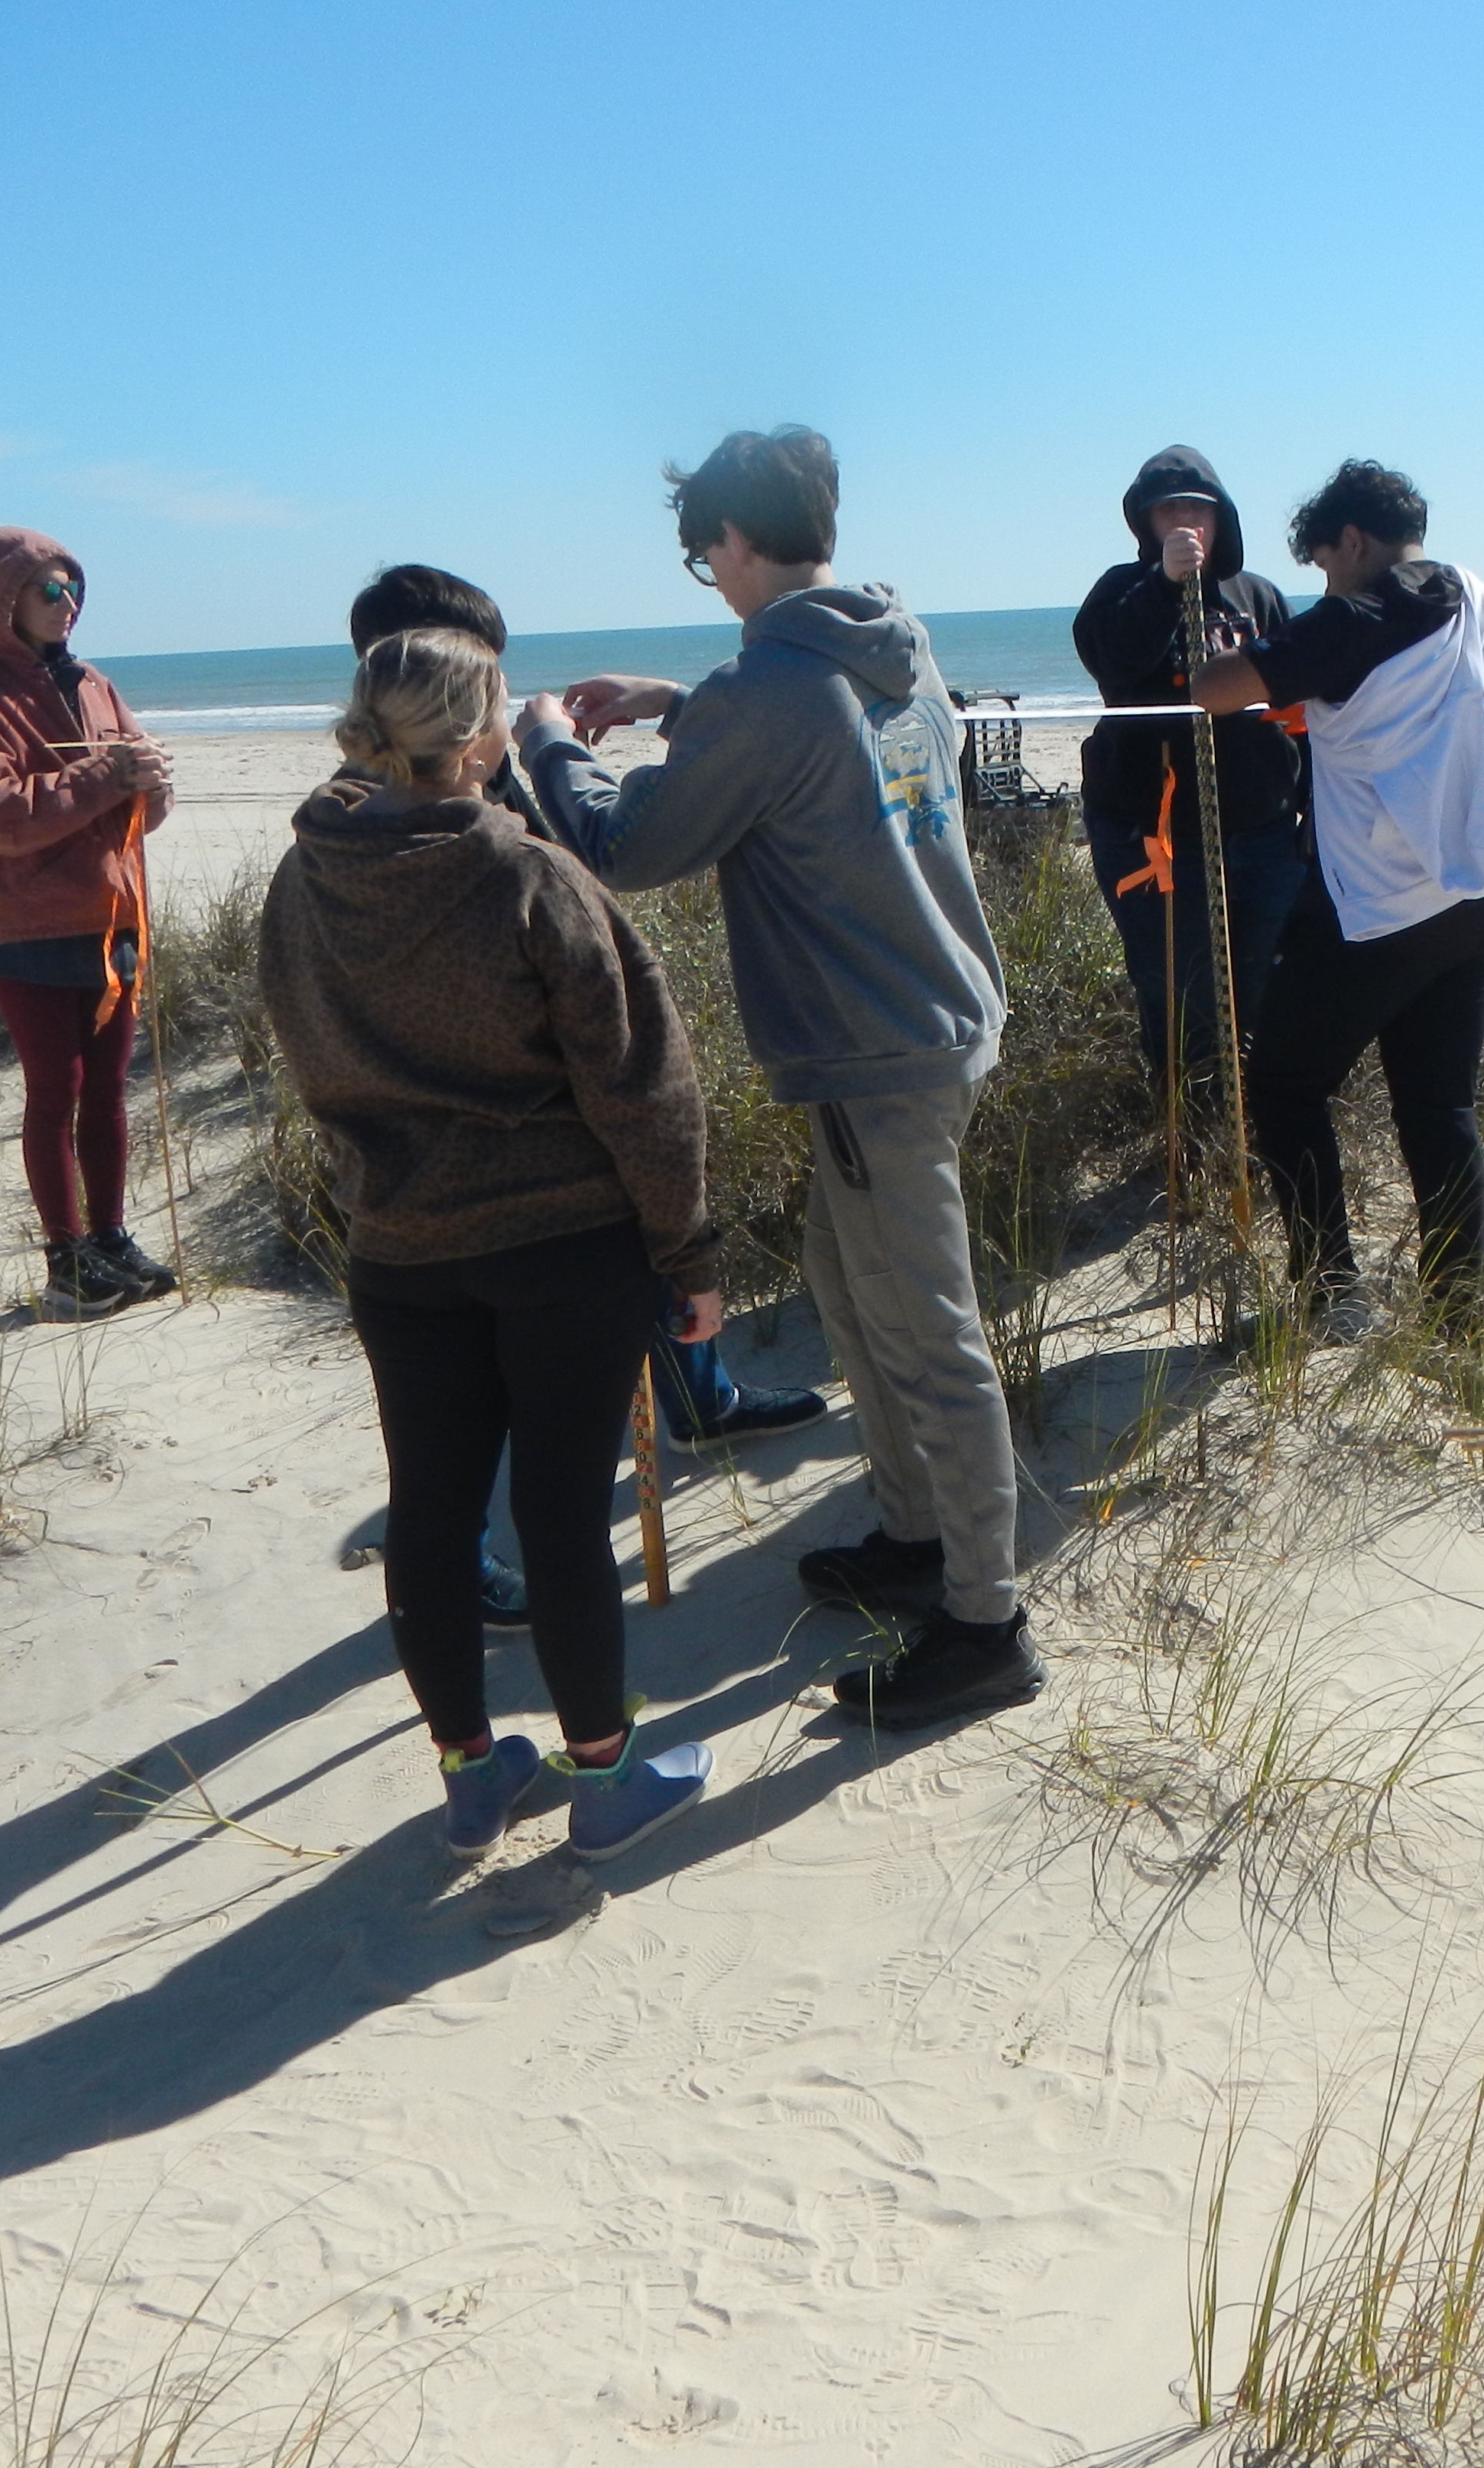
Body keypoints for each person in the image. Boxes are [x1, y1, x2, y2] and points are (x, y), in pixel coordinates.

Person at [512, 426, 1042, 1729]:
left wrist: (546, 745)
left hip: (875, 1051)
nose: (715, 578)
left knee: (928, 1335)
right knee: (849, 1294)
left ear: (737, 543)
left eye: (709, 557)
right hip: (923, 1026)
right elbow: (817, 761)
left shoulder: (773, 687)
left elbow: (626, 846)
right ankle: (918, 1537)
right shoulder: (888, 654)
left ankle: (987, 1621)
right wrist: (675, 704)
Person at [258, 627, 725, 1864]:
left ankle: (472, 1777)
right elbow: (644, 1081)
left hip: (401, 1245)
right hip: (559, 1242)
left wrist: (380, 1166)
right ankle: (601, 1777)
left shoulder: (307, 877)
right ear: (479, 741)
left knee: (431, 1511)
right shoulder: (523, 870)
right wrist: (686, 1249)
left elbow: (302, 1045)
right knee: (561, 1516)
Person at [344, 571, 828, 1453]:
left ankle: (700, 1395)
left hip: (506, 1121)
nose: (492, 698)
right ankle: (682, 1404)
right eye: (478, 678)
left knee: (638, 1224)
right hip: (496, 1136)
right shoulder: (375, 808)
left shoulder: (431, 780)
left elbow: (566, 864)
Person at [1189, 461, 1484, 1336]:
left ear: (1354, 543)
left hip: (1376, 910)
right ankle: (1458, 1313)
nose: (1324, 584)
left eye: (1325, 564)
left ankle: (1331, 1293)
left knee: (1285, 1085)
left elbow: (1214, 693)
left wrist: (1230, 652)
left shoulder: (1359, 612)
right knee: (1439, 1109)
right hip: (1477, 894)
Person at [0, 526, 183, 1319]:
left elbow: (138, 808)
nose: (67, 605)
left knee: (107, 1090)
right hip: (24, 925)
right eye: (48, 590)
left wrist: (152, 780)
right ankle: (65, 1260)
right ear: (1, 600)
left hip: (111, 918)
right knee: (54, 1089)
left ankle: (110, 1238)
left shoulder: (95, 683)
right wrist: (106, 774)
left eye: (72, 589)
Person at [1070, 449, 1312, 1129]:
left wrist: (1312, 806)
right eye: (1169, 507)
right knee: (1177, 991)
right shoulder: (1120, 591)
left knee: (1263, 984)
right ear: (1147, 520)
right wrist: (1163, 586)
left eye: (1196, 507)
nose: (1184, 520)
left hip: (1261, 830)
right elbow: (1110, 661)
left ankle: (1261, 1131)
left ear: (1219, 515)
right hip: (1149, 835)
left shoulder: (1256, 595)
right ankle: (1190, 1136)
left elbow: (1299, 706)